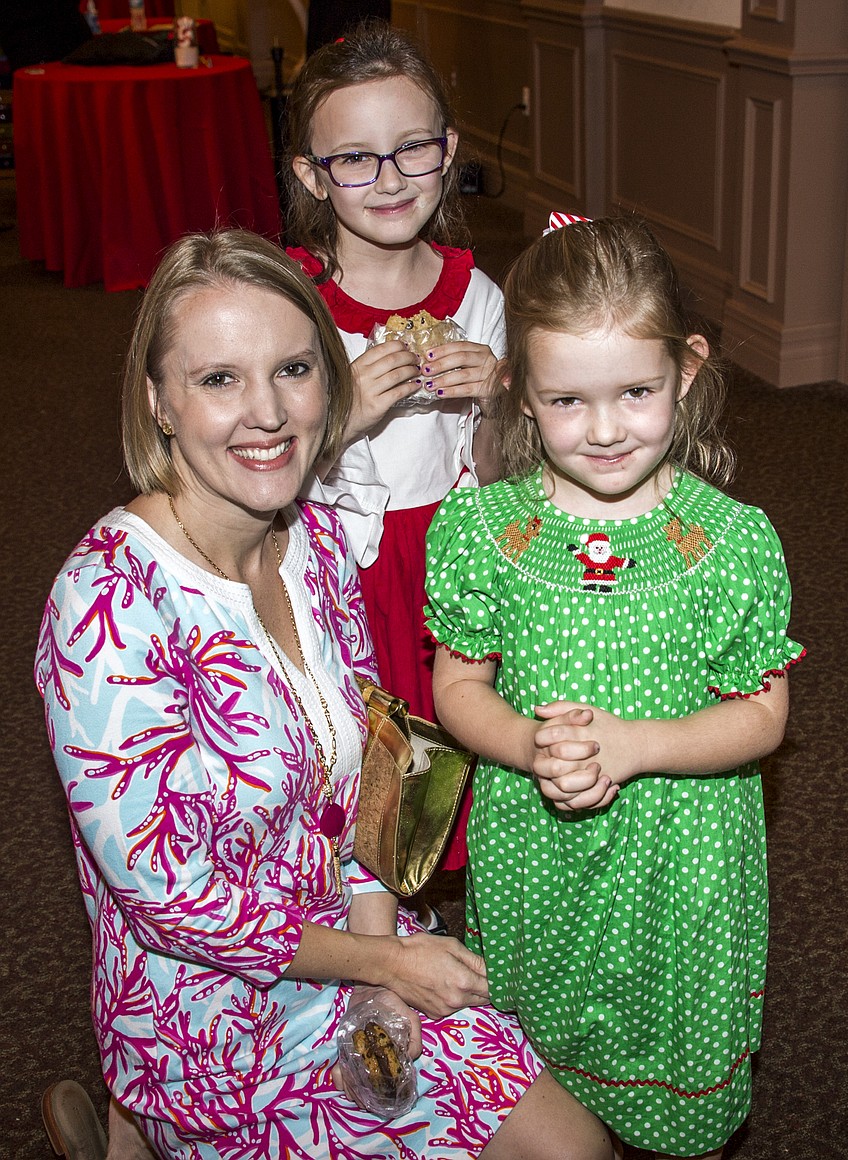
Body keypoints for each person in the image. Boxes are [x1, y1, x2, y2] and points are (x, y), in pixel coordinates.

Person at [35, 228, 617, 1160]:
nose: (268, 413)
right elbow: (176, 904)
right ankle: (137, 1129)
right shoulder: (105, 603)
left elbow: (383, 765)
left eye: (294, 369)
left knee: (575, 1149)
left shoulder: (313, 542)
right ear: (158, 403)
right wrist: (384, 963)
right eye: (219, 379)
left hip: (355, 945)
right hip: (209, 1019)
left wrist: (380, 983)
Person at [425, 214, 805, 1160]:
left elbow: (763, 716)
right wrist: (526, 743)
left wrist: (636, 745)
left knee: (669, 1026)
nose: (603, 430)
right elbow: (457, 688)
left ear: (687, 370)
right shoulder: (483, 534)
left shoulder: (731, 543)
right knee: (543, 1052)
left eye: (636, 392)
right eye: (566, 400)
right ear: (519, 393)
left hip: (682, 852)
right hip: (536, 843)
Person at [284, 21, 504, 871]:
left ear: (447, 152)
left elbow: (505, 469)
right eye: (354, 158)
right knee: (362, 752)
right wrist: (339, 419)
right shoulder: (293, 304)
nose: (388, 178)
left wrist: (501, 396)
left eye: (411, 148)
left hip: (455, 554)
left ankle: (461, 879)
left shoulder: (477, 296)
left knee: (465, 734)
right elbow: (255, 469)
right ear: (313, 175)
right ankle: (368, 904)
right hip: (344, 566)